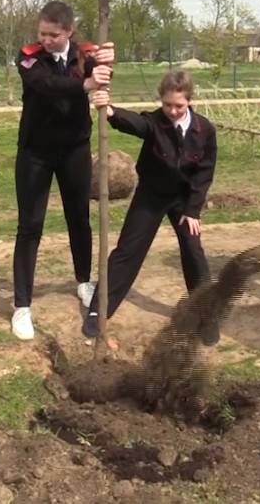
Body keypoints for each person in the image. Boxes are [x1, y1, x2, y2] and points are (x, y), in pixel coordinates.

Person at [83, 70, 218, 345]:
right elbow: (138, 123)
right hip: (152, 195)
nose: (172, 110)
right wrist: (110, 111)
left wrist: (192, 211)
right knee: (127, 251)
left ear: (189, 101)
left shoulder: (205, 130)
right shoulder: (156, 121)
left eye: (178, 106)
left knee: (193, 251)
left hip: (183, 199)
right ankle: (99, 311)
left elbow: (204, 174)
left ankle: (206, 316)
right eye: (167, 104)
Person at [11, 1, 114, 340]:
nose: (46, 40)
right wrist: (86, 85)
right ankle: (22, 306)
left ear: (68, 31)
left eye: (53, 35)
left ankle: (84, 282)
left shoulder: (86, 55)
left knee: (79, 218)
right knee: (30, 226)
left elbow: (103, 75)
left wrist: (107, 64)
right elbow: (46, 86)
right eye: (42, 33)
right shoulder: (28, 57)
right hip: (35, 154)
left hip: (75, 150)